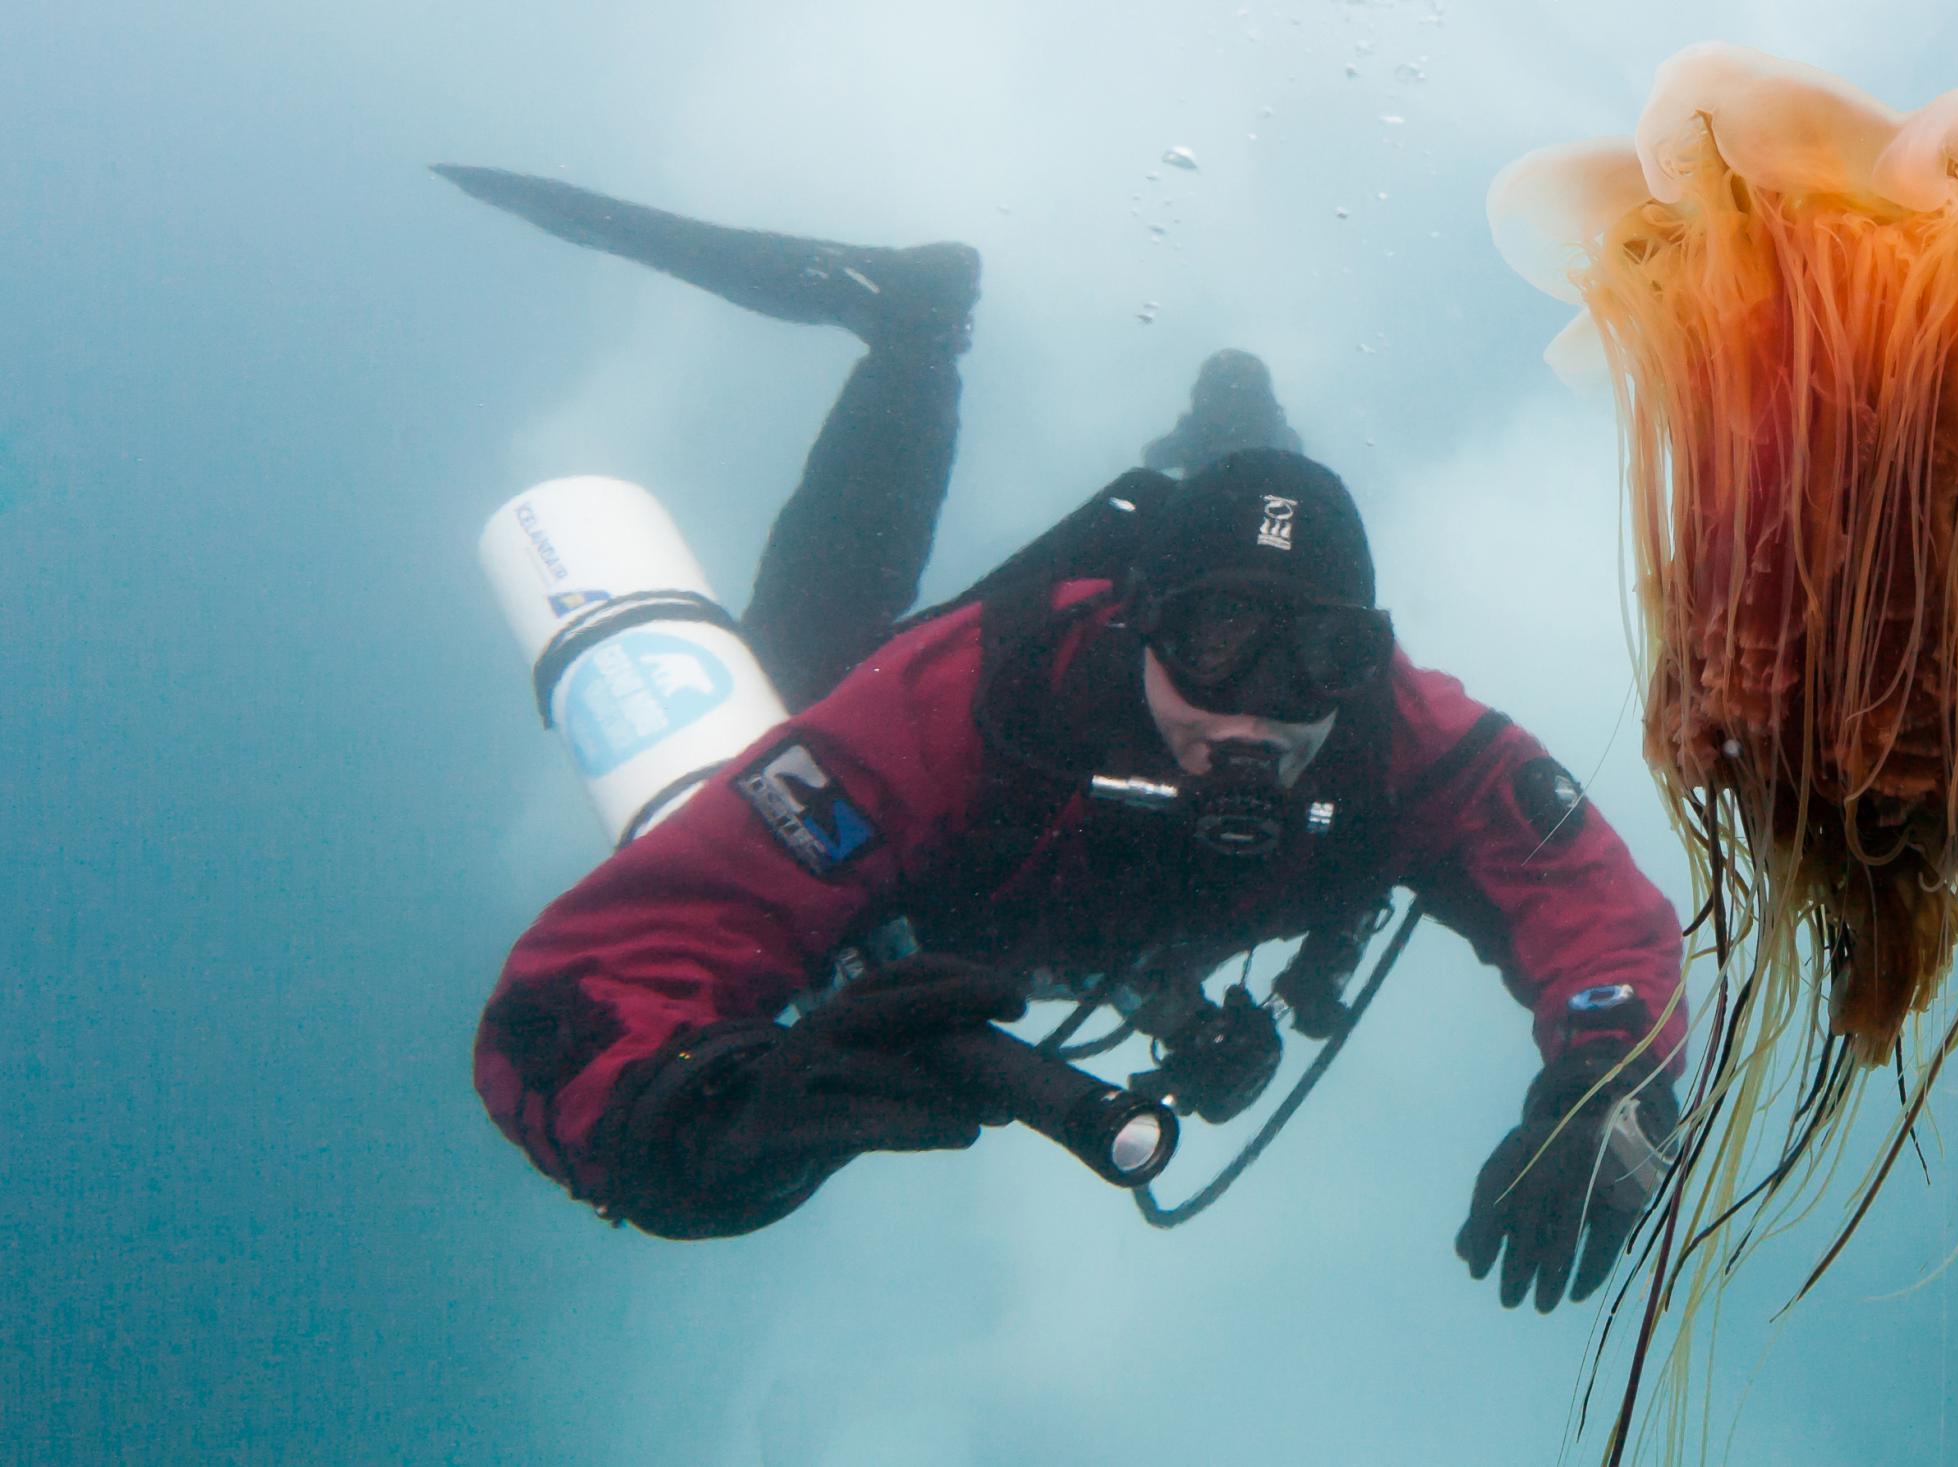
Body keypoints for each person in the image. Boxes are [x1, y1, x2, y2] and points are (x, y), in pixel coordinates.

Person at [447, 168, 1687, 1311]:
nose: (1258, 706)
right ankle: (917, 328)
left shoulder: (1394, 733)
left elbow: (1584, 900)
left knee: (1254, 520)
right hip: (947, 825)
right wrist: (688, 1124)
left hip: (1098, 909)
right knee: (793, 675)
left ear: (1362, 661)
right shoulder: (962, 714)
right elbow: (574, 992)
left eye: (1315, 661)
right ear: (1139, 628)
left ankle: (1235, 432)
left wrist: (1607, 1074)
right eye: (1213, 645)